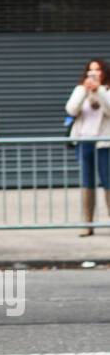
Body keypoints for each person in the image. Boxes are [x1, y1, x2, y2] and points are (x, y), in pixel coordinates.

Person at [65, 58, 110, 236]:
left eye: (97, 70)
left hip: (104, 143)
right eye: (90, 71)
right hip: (84, 142)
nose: (94, 74)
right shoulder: (79, 89)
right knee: (87, 182)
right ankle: (87, 223)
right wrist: (85, 91)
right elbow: (71, 110)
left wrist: (98, 90)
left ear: (104, 72)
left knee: (108, 181)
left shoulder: (106, 90)